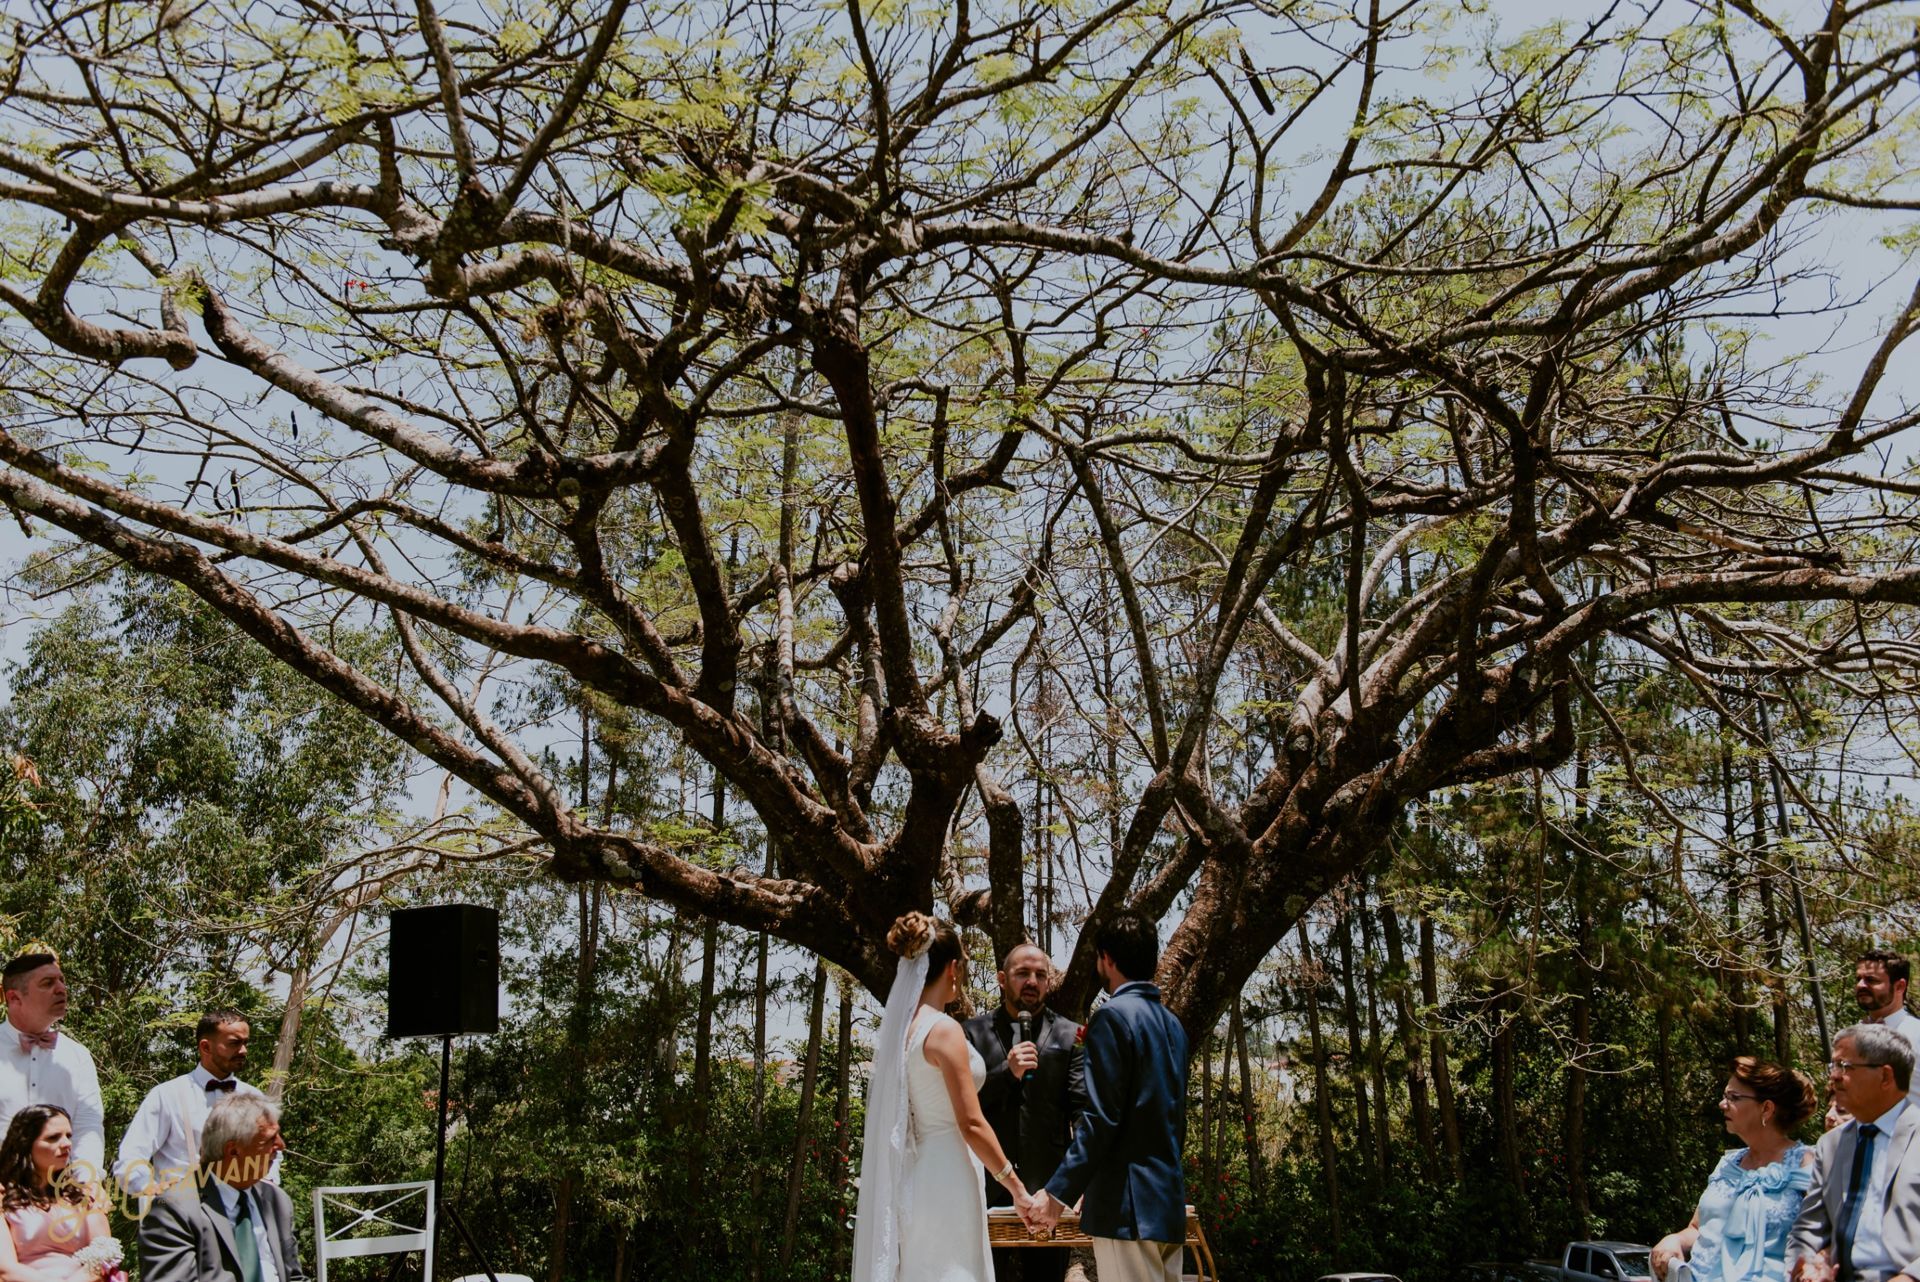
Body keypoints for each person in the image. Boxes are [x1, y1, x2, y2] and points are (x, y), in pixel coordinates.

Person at [851, 913, 1035, 1282]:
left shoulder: (904, 1030)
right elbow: (970, 1122)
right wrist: (1017, 1188)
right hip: (949, 1174)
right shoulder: (944, 1029)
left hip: (918, 1175)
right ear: (953, 968)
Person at [1027, 909, 1189, 1282]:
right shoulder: (1173, 1026)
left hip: (1127, 1204)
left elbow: (1102, 1118)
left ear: (1107, 959)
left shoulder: (1112, 1017)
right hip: (1166, 1203)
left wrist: (1057, 1194)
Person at [963, 942, 1087, 1282]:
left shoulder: (1072, 1034)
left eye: (1040, 975)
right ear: (1003, 979)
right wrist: (1007, 1073)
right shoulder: (970, 1033)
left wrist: (1077, 1182)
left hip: (1049, 1194)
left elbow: (1082, 1112)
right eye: (1022, 974)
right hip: (985, 1188)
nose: (1032, 981)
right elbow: (962, 1107)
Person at [1651, 1057, 1816, 1282]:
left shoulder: (1807, 1163)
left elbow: (1828, 1239)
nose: (1722, 1104)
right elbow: (1697, 1229)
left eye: (1734, 1097)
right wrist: (1675, 1239)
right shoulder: (1726, 1164)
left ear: (1766, 1108)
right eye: (1725, 1096)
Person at [1787, 1024, 1920, 1282]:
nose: (1834, 1076)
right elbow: (1807, 1228)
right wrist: (1808, 1268)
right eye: (1833, 1066)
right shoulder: (1831, 1144)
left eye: (1845, 1067)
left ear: (1885, 1076)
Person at [137, 1095, 303, 1282]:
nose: (281, 1145)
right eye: (270, 1140)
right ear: (233, 1151)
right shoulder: (172, 1211)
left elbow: (294, 1277)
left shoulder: (276, 1201)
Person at [114, 1012, 276, 1200]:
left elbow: (273, 1154)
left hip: (245, 1210)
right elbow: (130, 1159)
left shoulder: (255, 1097)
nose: (243, 1051)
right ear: (205, 1047)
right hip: (185, 1212)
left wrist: (267, 1188)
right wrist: (154, 1190)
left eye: (245, 1043)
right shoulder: (167, 1095)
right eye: (234, 1043)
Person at [0, 947, 103, 1180]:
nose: (61, 989)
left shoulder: (77, 1056)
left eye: (62, 981)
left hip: (61, 1195)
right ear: (14, 998)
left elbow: (88, 1126)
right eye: (47, 983)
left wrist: (87, 1184)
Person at [0, 1104, 111, 1282]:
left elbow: (105, 1254)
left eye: (68, 1136)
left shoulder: (84, 1195)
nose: (66, 1143)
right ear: (26, 1143)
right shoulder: (3, 1198)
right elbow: (5, 1269)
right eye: (53, 1138)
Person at [1856, 953, 1920, 1107]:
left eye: (1871, 980)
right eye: (1858, 979)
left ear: (1899, 987)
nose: (1860, 985)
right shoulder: (1850, 1038)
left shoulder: (1916, 1034)